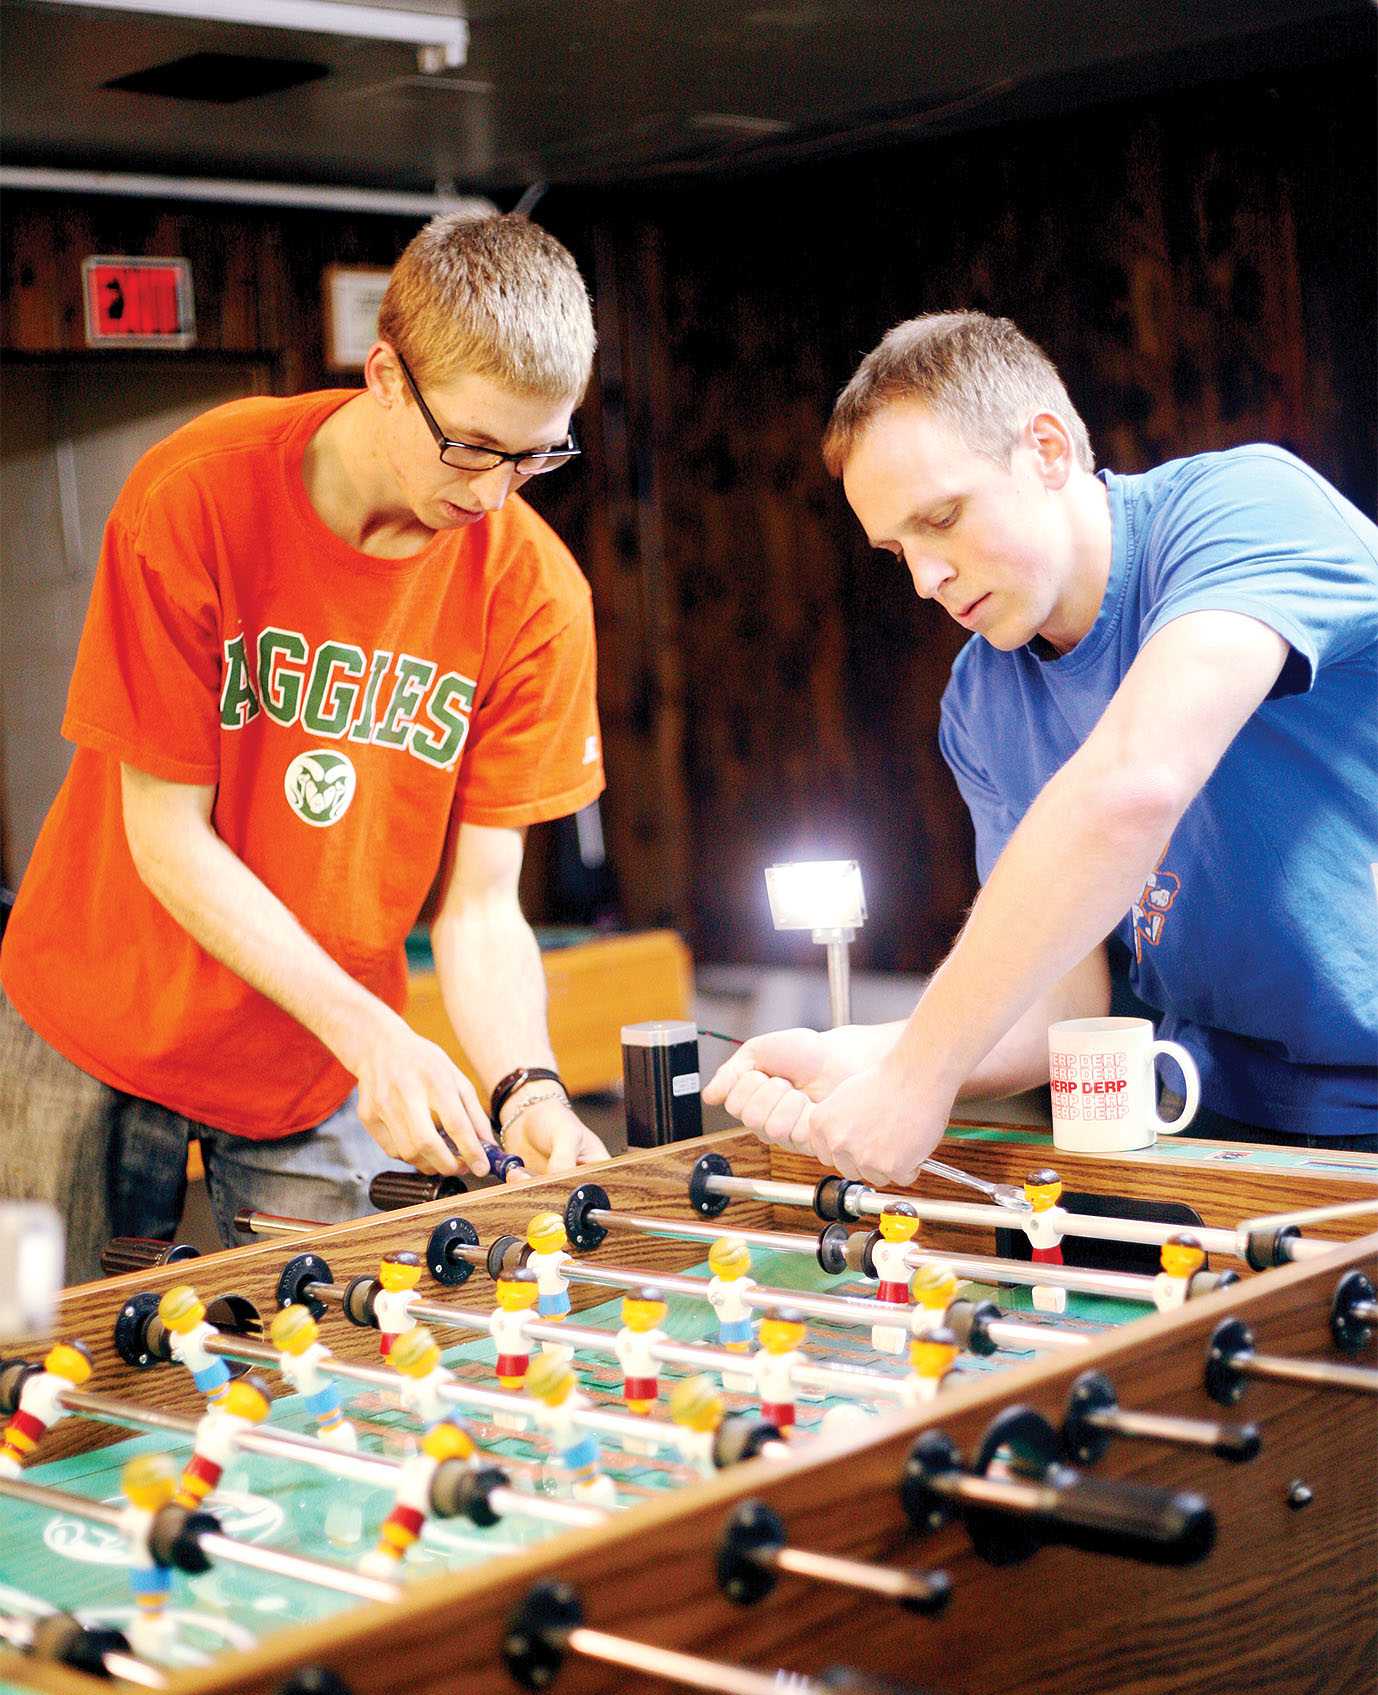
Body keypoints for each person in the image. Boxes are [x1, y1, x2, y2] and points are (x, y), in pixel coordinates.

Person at [0, 212, 609, 1282]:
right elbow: (165, 837)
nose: (488, 494)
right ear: (384, 373)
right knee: (30, 1361)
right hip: (84, 1023)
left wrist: (531, 1085)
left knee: (339, 1364)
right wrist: (375, 1033)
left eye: (533, 456)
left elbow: (478, 907)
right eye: (468, 445)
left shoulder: (536, 594)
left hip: (306, 1066)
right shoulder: (195, 493)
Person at [705, 311, 1378, 1183]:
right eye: (896, 549)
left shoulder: (1246, 508)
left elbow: (1132, 786)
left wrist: (920, 1077)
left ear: (1049, 451)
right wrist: (867, 1056)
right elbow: (1056, 1002)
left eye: (941, 519)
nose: (924, 579)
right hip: (1219, 1123)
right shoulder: (980, 700)